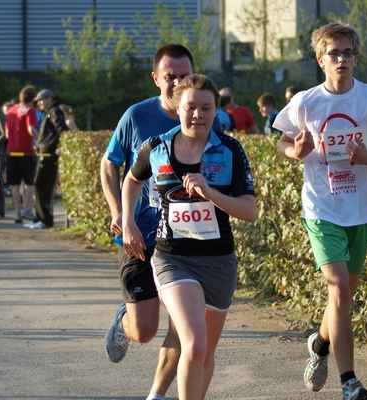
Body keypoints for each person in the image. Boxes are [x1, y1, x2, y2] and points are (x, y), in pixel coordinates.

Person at [274, 21, 367, 400]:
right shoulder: (305, 101)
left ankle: (320, 342)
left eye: (348, 53)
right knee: (338, 292)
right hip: (321, 209)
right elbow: (283, 142)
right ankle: (349, 382)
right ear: (321, 59)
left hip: (361, 210)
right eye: (334, 53)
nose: (342, 59)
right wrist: (295, 151)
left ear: (356, 58)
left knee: (343, 297)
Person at [100, 44, 223, 400]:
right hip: (141, 235)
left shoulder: (207, 117)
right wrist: (119, 213)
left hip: (189, 238)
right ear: (156, 78)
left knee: (186, 327)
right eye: (170, 77)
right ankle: (125, 320)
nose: (177, 82)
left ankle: (156, 395)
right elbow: (111, 164)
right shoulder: (137, 117)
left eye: (184, 75)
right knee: (144, 330)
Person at [123, 73, 256, 400]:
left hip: (219, 262)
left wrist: (210, 193)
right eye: (190, 107)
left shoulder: (229, 150)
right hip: (173, 258)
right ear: (177, 108)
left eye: (206, 108)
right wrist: (127, 221)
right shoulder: (157, 147)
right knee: (193, 343)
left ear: (215, 111)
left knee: (204, 353)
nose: (197, 115)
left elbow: (249, 211)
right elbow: (131, 180)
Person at [23, 89, 67, 229]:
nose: (40, 103)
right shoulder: (48, 112)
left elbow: (62, 130)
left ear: (49, 99)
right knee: (38, 185)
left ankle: (46, 219)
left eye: (42, 100)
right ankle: (39, 217)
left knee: (43, 186)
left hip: (49, 154)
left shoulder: (55, 111)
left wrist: (61, 146)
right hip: (43, 153)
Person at [5, 85, 39, 223]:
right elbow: (31, 129)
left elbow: (7, 133)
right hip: (26, 151)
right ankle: (27, 209)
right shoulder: (29, 110)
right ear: (33, 98)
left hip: (11, 151)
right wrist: (40, 140)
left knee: (14, 183)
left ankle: (17, 212)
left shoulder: (11, 111)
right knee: (30, 182)